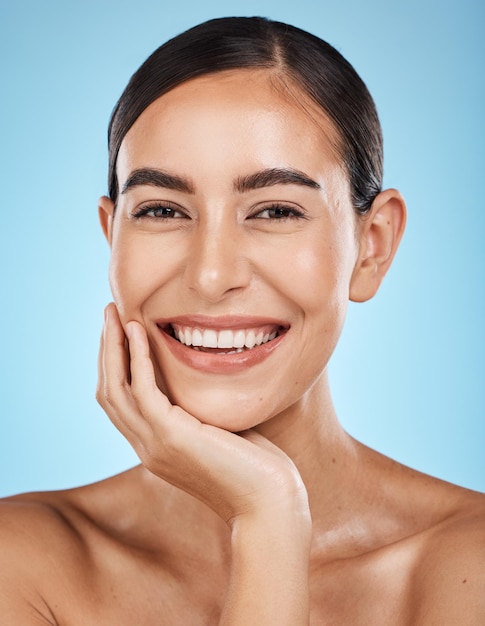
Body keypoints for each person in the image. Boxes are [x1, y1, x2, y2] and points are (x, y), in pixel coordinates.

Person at [0, 16, 483, 625]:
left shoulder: (470, 563)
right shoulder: (16, 562)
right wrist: (268, 520)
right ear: (111, 238)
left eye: (276, 210)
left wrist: (267, 520)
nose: (210, 274)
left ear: (373, 246)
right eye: (162, 210)